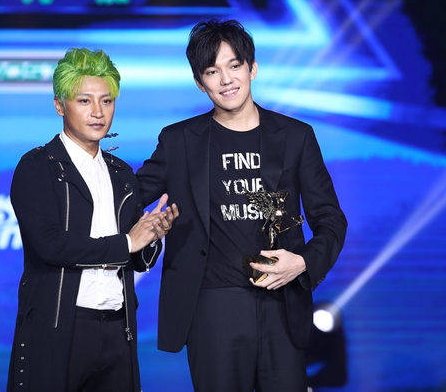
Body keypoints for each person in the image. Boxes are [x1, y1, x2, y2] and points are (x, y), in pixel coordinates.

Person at [136, 19, 347, 392]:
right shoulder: (179, 141)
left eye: (234, 65)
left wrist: (302, 263)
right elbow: (126, 196)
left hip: (282, 301)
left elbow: (331, 220)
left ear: (252, 68)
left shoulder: (296, 136)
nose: (226, 79)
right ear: (200, 82)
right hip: (212, 308)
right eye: (212, 71)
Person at [7, 47, 179, 392]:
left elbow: (136, 259)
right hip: (62, 325)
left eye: (107, 101)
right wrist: (128, 242)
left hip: (118, 328)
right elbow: (51, 246)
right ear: (60, 106)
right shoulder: (37, 168)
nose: (98, 112)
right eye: (84, 101)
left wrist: (153, 235)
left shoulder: (122, 174)